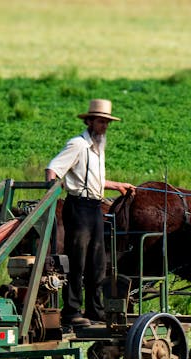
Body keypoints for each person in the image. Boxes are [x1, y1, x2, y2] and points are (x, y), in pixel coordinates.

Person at [45, 99, 135, 327]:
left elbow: (94, 180)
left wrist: (117, 185)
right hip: (79, 207)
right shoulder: (78, 144)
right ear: (89, 121)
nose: (104, 126)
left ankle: (95, 310)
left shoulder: (98, 148)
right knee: (78, 260)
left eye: (107, 122)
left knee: (97, 262)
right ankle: (72, 311)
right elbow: (53, 168)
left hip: (95, 207)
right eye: (100, 121)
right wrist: (52, 191)